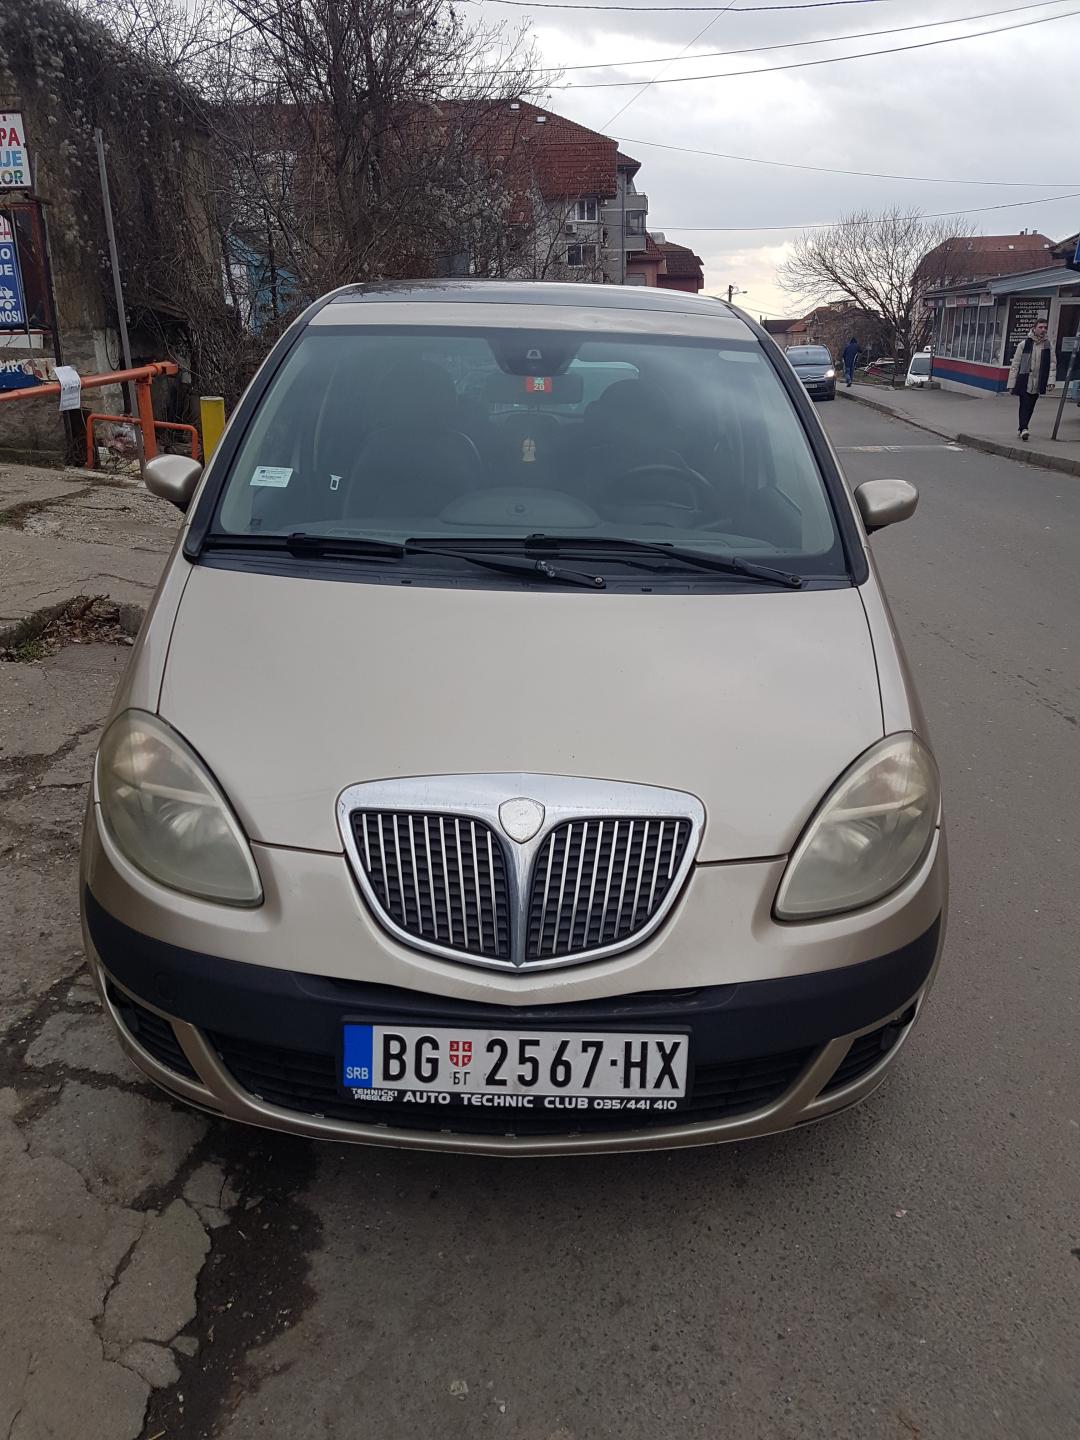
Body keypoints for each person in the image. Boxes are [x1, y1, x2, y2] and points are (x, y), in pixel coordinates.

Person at [1007, 318, 1052, 440]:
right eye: (1040, 327)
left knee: (1031, 406)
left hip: (1038, 381)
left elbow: (1052, 364)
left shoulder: (1048, 345)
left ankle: (1021, 427)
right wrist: (1011, 384)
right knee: (1024, 404)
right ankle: (1024, 429)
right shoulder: (1024, 344)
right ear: (1034, 328)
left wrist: (1050, 381)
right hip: (1025, 379)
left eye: (1045, 327)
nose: (1043, 329)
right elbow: (1015, 365)